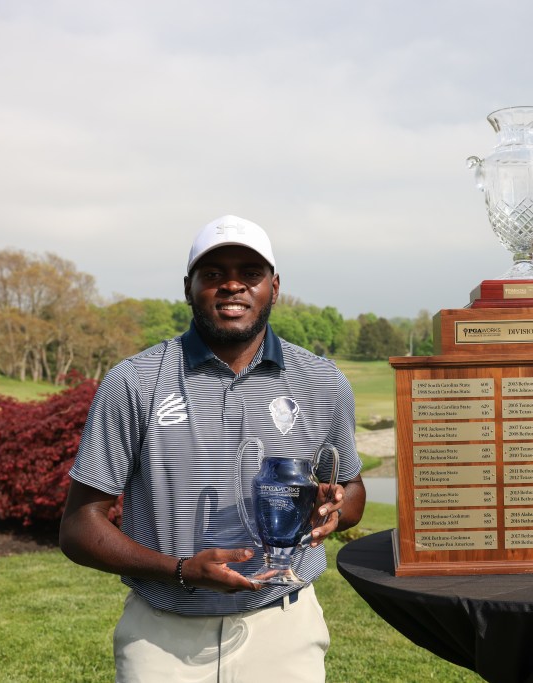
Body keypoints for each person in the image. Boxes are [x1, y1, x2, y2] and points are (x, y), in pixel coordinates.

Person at [59, 214, 366, 682]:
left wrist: (335, 512)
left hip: (283, 629)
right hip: (163, 637)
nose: (233, 286)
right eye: (214, 274)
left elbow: (353, 490)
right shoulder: (135, 381)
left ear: (275, 287)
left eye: (250, 273)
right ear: (189, 287)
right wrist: (180, 570)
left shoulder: (323, 382)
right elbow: (79, 525)